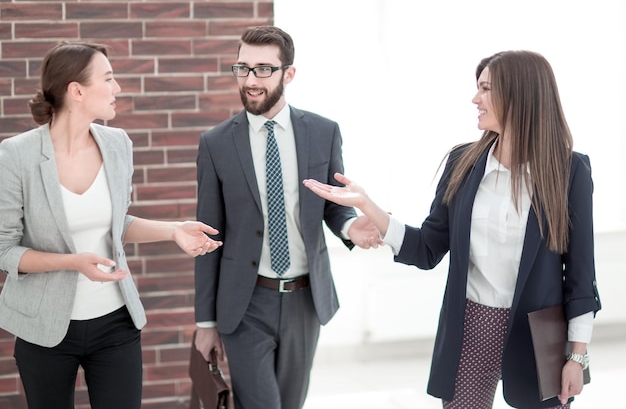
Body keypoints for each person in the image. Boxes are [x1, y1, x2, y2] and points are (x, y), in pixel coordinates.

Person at [303, 50, 601, 409]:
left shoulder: (569, 170)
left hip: (539, 331)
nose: (475, 99)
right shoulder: (463, 163)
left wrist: (577, 355)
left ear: (519, 93)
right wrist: (369, 206)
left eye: (486, 89)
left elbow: (582, 276)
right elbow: (427, 248)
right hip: (472, 320)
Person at [0, 41, 222, 409]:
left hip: (115, 323)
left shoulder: (117, 144)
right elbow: (4, 249)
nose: (117, 88)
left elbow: (115, 223)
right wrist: (72, 262)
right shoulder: (16, 155)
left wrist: (173, 230)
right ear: (77, 90)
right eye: (109, 78)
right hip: (44, 327)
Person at [193, 25, 381, 409]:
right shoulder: (216, 143)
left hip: (304, 300)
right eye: (243, 68)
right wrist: (205, 322)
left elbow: (333, 202)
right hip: (245, 302)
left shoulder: (323, 132)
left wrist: (349, 225)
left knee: (291, 403)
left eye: (263, 69)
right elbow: (206, 236)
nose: (250, 80)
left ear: (288, 74)